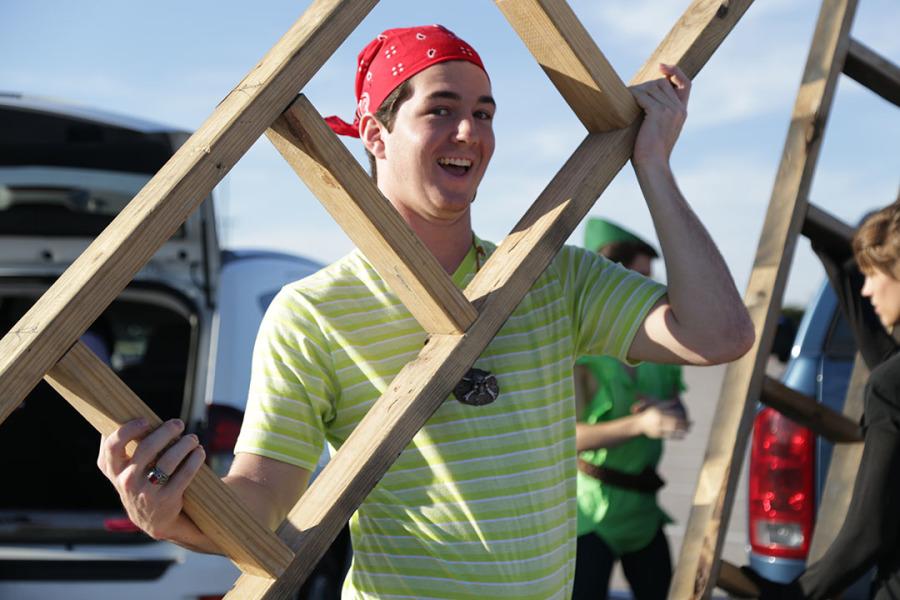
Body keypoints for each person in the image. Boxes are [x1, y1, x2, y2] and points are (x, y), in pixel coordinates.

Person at [96, 25, 754, 598]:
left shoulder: (550, 275)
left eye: (485, 112)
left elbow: (720, 333)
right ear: (377, 136)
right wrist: (171, 514)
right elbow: (263, 499)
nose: (470, 130)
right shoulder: (313, 315)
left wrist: (654, 166)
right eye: (441, 110)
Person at [739, 201, 900, 600]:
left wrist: (795, 595)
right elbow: (882, 352)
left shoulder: (890, 385)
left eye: (872, 274)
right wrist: (826, 244)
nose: (865, 288)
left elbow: (870, 530)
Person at [572, 218, 690, 600]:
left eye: (653, 282)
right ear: (610, 281)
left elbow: (679, 412)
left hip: (644, 511)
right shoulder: (580, 356)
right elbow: (565, 438)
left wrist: (667, 411)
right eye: (639, 280)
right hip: (590, 514)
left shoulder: (661, 354)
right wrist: (640, 425)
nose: (651, 294)